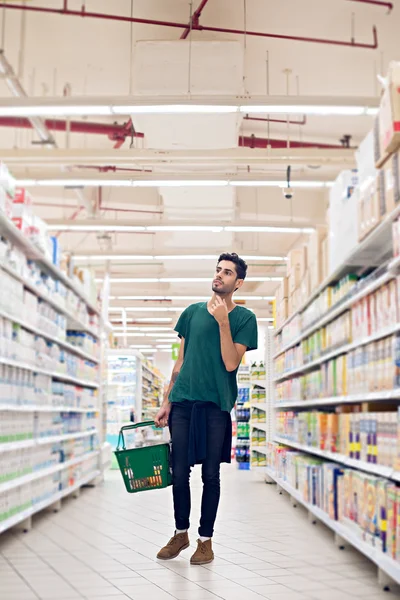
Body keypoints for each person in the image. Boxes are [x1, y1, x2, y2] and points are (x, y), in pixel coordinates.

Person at [154, 252, 258, 565]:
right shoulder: (191, 313)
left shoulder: (244, 319)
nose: (219, 276)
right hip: (183, 402)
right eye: (217, 270)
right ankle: (180, 532)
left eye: (227, 273)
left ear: (237, 283)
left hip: (216, 405)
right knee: (179, 471)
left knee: (210, 475)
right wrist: (166, 401)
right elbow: (180, 363)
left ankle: (205, 540)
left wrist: (224, 322)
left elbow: (230, 362)